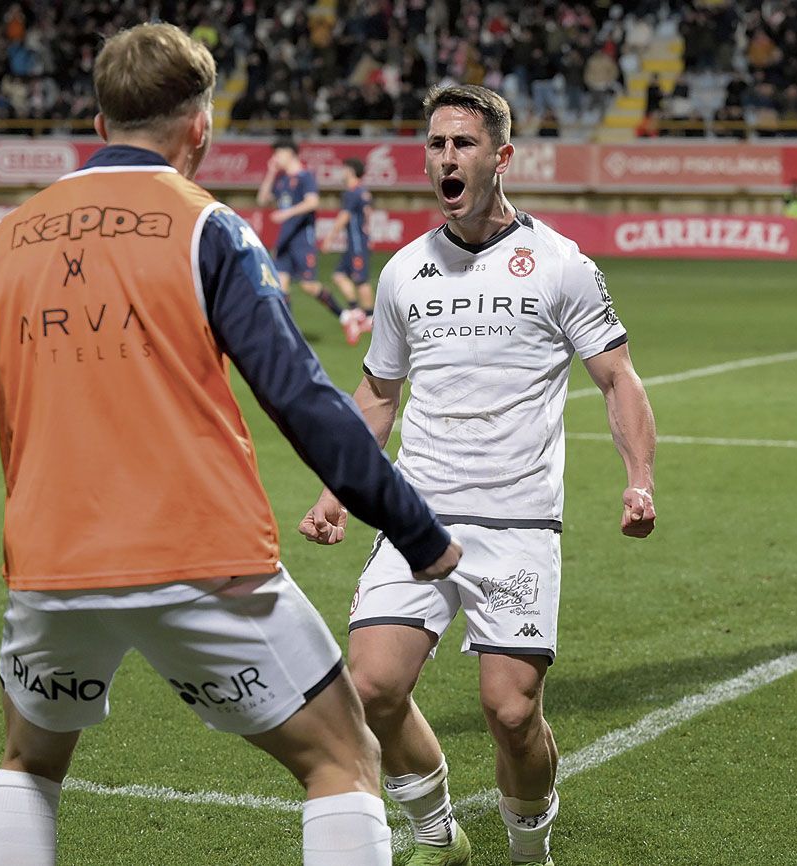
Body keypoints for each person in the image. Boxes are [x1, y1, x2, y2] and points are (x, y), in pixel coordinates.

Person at [0, 23, 461, 866]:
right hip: (203, 555)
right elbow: (300, 397)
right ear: (200, 129)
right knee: (341, 758)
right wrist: (417, 530)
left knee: (30, 762)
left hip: (54, 561)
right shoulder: (207, 229)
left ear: (99, 125)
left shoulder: (5, 240)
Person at [298, 84, 658, 866]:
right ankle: (437, 836)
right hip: (417, 514)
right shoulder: (403, 274)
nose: (446, 158)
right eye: (435, 144)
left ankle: (531, 854)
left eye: (462, 144)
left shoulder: (560, 264)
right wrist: (336, 487)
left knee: (512, 712)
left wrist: (640, 478)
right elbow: (379, 395)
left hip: (520, 520)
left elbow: (618, 378)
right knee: (372, 688)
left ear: (501, 158)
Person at [257, 138, 367, 344]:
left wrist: (286, 213)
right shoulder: (281, 180)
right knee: (280, 288)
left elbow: (313, 202)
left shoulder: (305, 177)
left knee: (309, 285)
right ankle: (287, 334)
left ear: (290, 153)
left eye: (278, 153)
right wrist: (271, 173)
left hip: (301, 241)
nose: (275, 158)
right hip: (284, 242)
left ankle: (346, 317)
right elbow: (263, 200)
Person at [328, 156, 376, 342]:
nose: (342, 172)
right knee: (339, 275)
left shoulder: (353, 192)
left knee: (360, 280)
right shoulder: (363, 192)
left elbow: (344, 216)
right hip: (356, 244)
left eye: (344, 169)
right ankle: (357, 311)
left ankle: (370, 317)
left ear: (351, 171)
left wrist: (330, 237)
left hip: (357, 244)